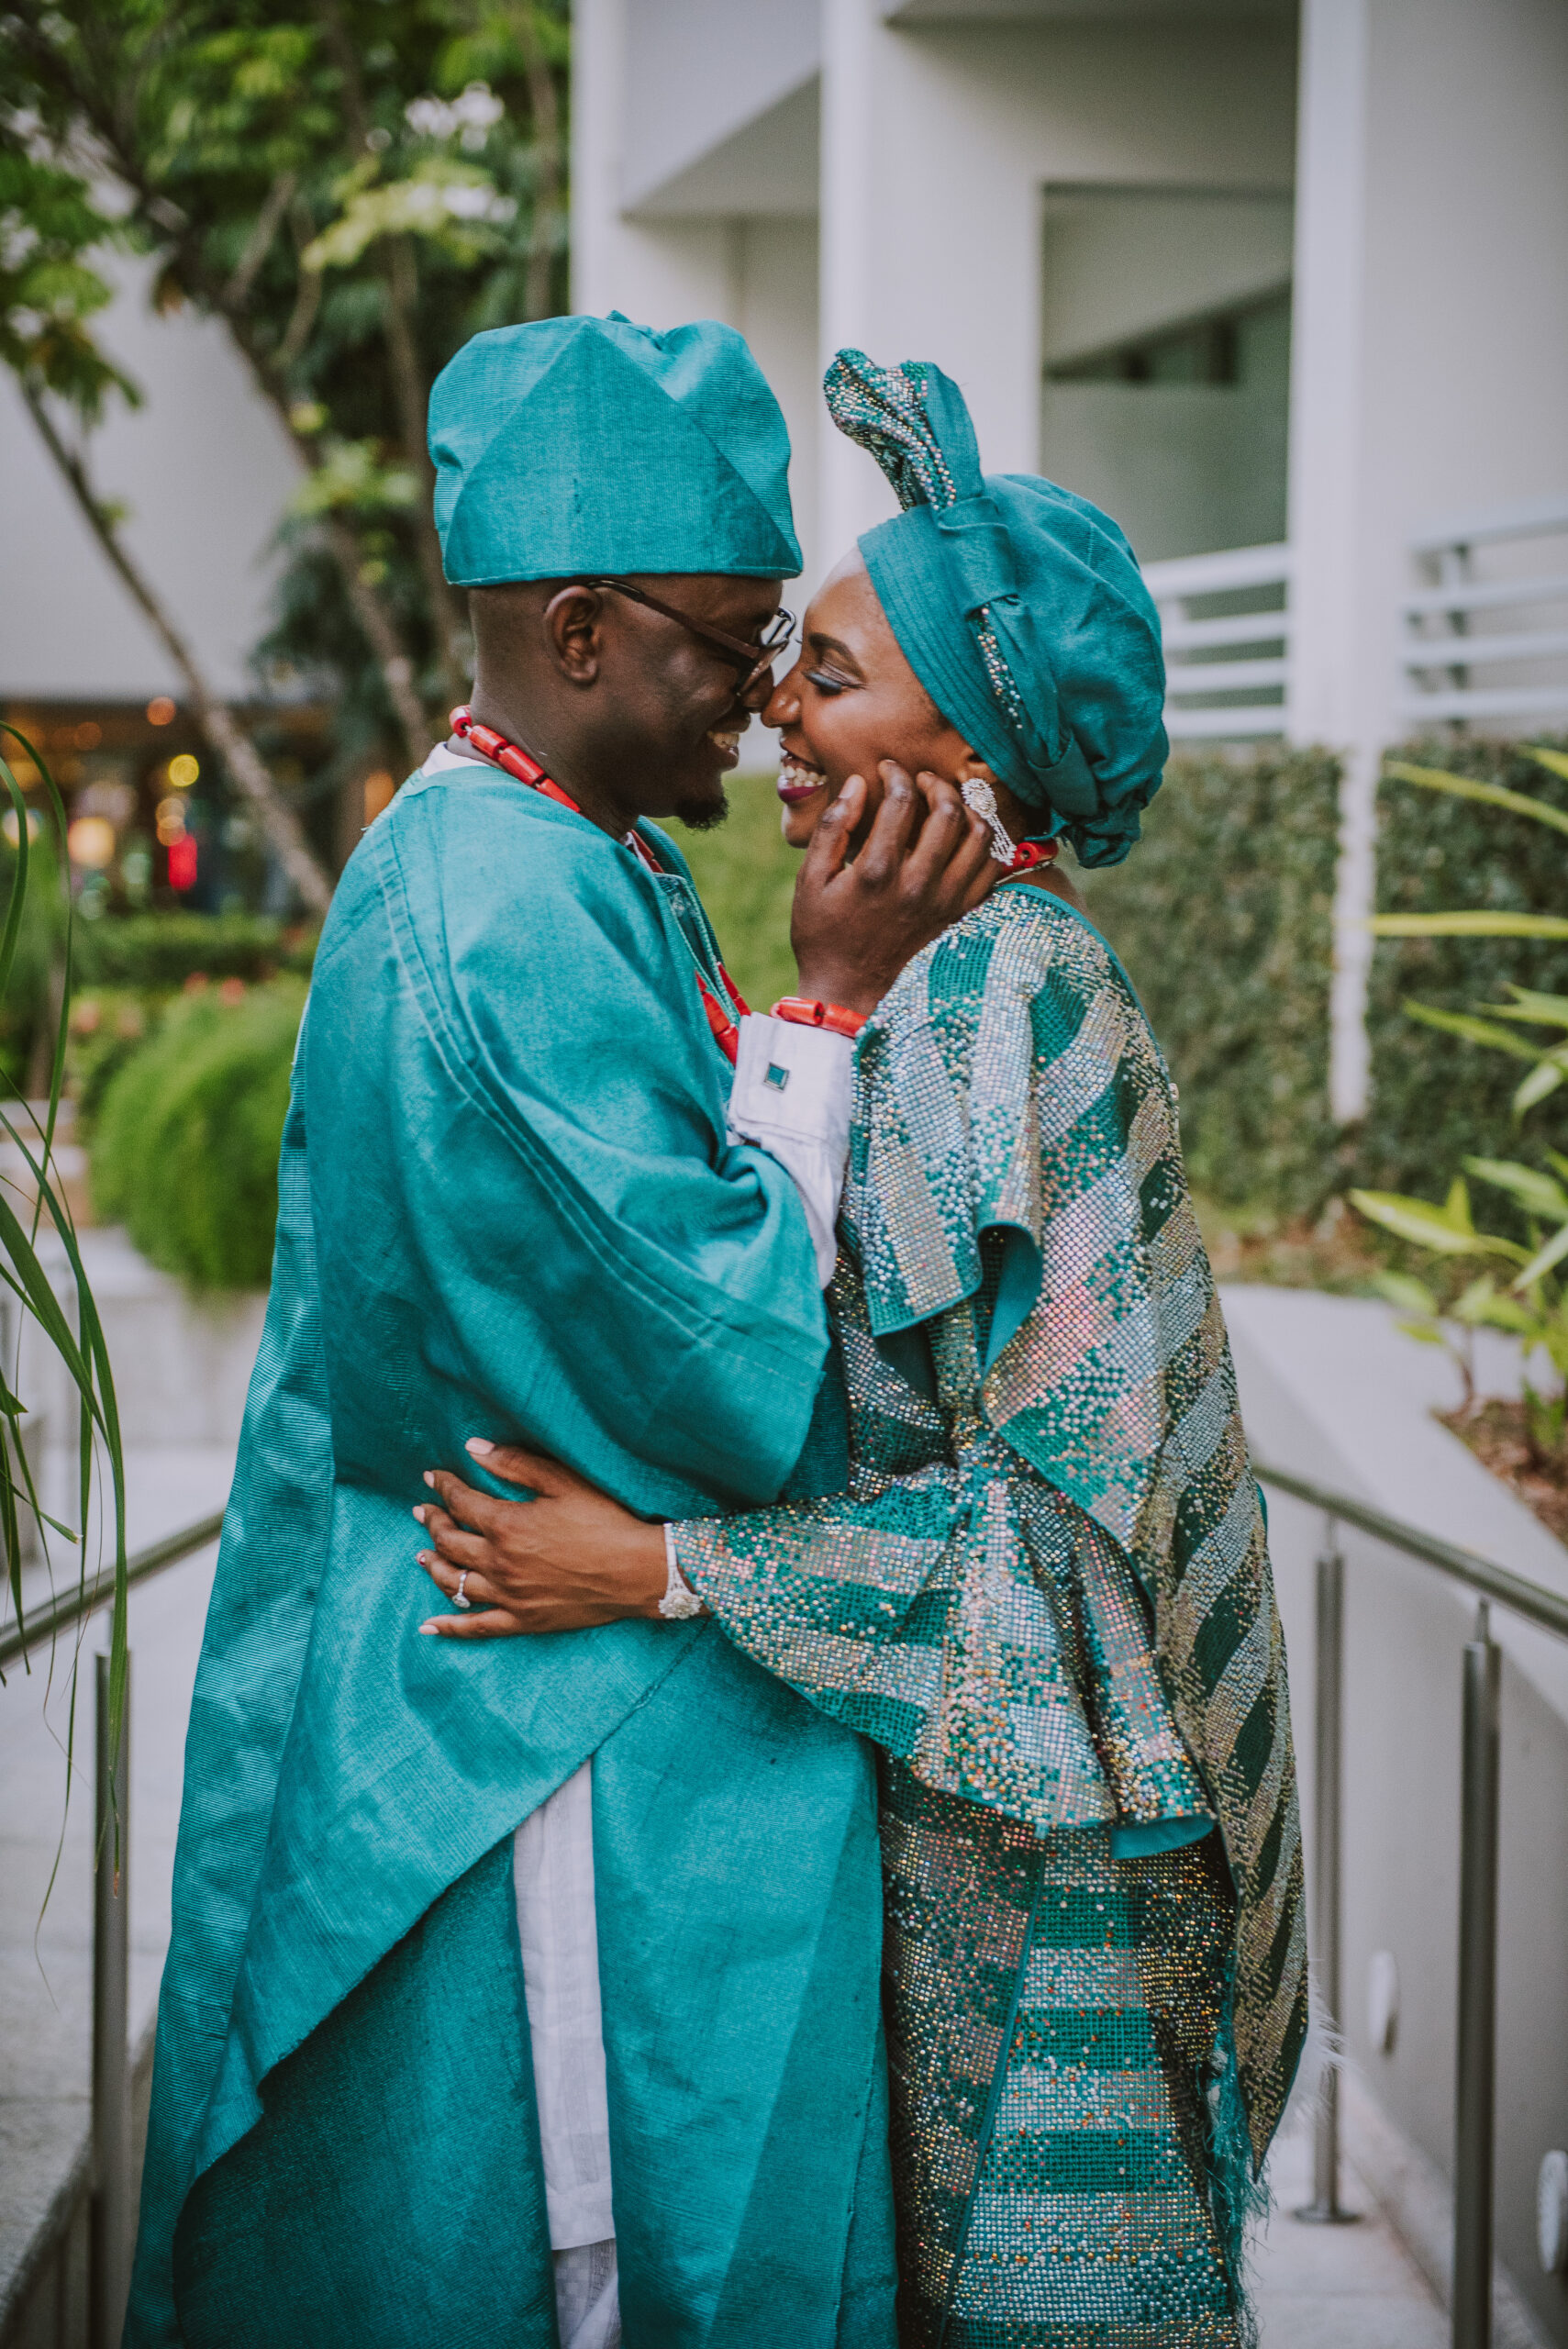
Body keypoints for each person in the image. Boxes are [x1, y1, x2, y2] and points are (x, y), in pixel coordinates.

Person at [416, 351, 1307, 2348]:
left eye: (824, 671)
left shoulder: (1013, 997)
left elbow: (1057, 1552)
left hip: (1067, 1877)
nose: (772, 714)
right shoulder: (940, 984)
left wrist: (659, 1567)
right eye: (773, 663)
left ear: (977, 744)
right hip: (977, 1829)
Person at [126, 316, 997, 2349]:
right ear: (585, 630)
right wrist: (837, 1002)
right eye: (732, 638)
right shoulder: (499, 900)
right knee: (575, 2250)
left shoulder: (569, 844)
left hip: (558, 1678)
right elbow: (707, 1357)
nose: (767, 694)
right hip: (526, 1723)